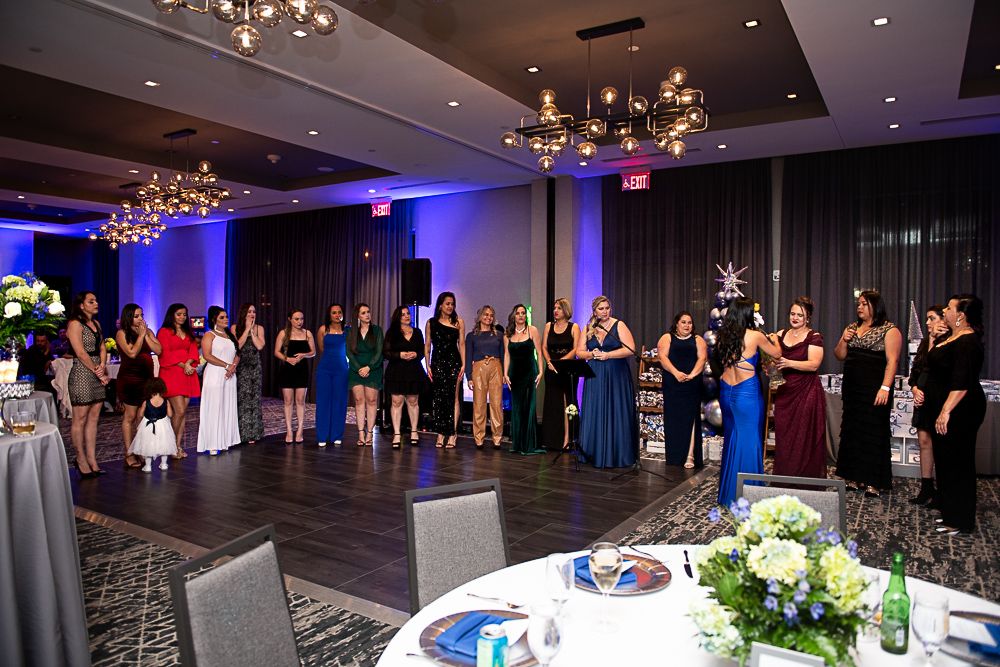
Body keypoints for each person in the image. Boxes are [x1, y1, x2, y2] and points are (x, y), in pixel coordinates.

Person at [916, 294, 986, 535]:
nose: (945, 310)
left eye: (949, 307)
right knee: (945, 462)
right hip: (945, 406)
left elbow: (962, 382)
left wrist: (945, 411)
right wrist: (935, 336)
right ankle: (949, 513)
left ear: (961, 316)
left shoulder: (968, 342)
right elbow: (932, 362)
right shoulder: (953, 337)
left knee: (958, 464)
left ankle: (960, 520)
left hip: (960, 409)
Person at [833, 290, 902, 497]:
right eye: (859, 303)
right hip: (853, 389)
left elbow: (892, 362)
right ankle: (853, 476)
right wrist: (844, 339)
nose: (859, 307)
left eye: (864, 303)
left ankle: (873, 480)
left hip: (875, 389)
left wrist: (885, 388)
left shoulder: (889, 330)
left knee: (873, 432)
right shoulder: (852, 328)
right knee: (853, 432)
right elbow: (839, 355)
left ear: (875, 306)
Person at [714, 297, 782, 505]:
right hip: (746, 394)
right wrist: (776, 338)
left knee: (733, 440)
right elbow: (777, 353)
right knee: (750, 442)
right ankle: (749, 497)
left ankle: (729, 494)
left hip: (726, 391)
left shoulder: (723, 335)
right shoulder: (755, 336)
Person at [576, 296, 638, 469]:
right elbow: (579, 352)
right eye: (601, 309)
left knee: (615, 409)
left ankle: (617, 453)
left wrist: (608, 355)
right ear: (594, 311)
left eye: (607, 308)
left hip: (616, 373)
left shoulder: (619, 325)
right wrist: (592, 354)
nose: (605, 311)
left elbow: (630, 349)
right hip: (595, 374)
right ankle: (593, 452)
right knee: (595, 409)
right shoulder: (588, 328)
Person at [771, 297, 827, 479]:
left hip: (806, 391)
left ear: (808, 317)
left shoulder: (814, 337)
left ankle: (806, 479)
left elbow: (813, 365)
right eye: (792, 314)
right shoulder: (780, 334)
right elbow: (772, 360)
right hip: (785, 393)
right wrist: (770, 368)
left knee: (803, 436)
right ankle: (784, 477)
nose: (795, 318)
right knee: (784, 436)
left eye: (799, 315)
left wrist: (788, 362)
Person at [907, 304, 950, 506]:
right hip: (922, 400)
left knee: (941, 446)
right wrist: (916, 390)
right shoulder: (924, 343)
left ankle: (943, 491)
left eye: (931, 318)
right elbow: (914, 373)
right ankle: (926, 488)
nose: (927, 322)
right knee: (924, 443)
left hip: (940, 401)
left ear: (943, 320)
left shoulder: (949, 342)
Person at [657, 311, 707, 468]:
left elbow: (702, 359)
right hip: (673, 382)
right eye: (684, 322)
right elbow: (663, 358)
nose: (687, 325)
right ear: (676, 324)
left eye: (690, 322)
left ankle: (690, 456)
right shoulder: (667, 338)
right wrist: (676, 373)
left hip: (692, 383)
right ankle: (674, 455)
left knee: (691, 418)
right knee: (674, 419)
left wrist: (692, 375)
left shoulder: (698, 339)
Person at [67, 291, 109, 478]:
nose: (96, 303)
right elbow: (80, 352)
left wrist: (103, 366)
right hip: (82, 372)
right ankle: (80, 459)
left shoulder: (97, 324)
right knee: (80, 418)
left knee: (94, 419)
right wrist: (96, 369)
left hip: (96, 370)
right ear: (82, 305)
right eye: (91, 301)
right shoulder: (75, 324)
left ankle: (92, 460)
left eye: (96, 300)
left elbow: (102, 347)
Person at [116, 303, 162, 469]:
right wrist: (141, 335)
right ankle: (129, 453)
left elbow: (158, 350)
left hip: (146, 380)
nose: (141, 318)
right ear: (129, 317)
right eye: (137, 316)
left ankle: (140, 449)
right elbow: (132, 353)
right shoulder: (122, 333)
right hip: (130, 380)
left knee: (142, 416)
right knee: (130, 416)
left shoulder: (147, 332)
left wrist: (147, 335)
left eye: (141, 315)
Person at [157, 303, 201, 458]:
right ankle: (170, 445)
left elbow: (193, 350)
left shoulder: (188, 332)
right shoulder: (164, 331)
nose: (182, 317)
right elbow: (165, 353)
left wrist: (189, 364)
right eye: (179, 314)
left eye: (184, 314)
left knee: (181, 414)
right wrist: (184, 365)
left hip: (187, 374)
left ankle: (177, 446)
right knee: (180, 410)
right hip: (172, 373)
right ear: (172, 315)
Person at [197, 306, 240, 456]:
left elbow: (237, 352)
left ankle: (226, 439)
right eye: (222, 317)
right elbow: (207, 356)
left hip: (230, 374)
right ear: (214, 319)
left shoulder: (230, 335)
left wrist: (232, 367)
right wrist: (226, 365)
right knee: (215, 406)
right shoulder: (209, 335)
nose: (226, 319)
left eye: (226, 316)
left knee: (227, 405)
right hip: (215, 373)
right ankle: (213, 443)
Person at [384, 305, 429, 448]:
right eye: (403, 314)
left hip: (414, 371)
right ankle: (397, 433)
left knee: (413, 401)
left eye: (408, 314)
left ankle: (414, 431)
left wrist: (416, 354)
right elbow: (386, 352)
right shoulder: (392, 333)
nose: (407, 316)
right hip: (397, 371)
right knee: (396, 402)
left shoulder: (417, 332)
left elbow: (423, 351)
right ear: (398, 317)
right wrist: (400, 355)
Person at [504, 304, 545, 455]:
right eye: (518, 313)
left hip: (529, 372)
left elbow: (539, 353)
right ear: (513, 316)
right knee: (517, 409)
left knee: (529, 408)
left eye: (523, 313)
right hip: (515, 374)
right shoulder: (508, 334)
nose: (521, 315)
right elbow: (507, 355)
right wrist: (505, 374)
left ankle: (529, 445)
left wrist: (541, 371)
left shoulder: (532, 330)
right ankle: (517, 444)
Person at [425, 292, 464, 448]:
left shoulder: (458, 322)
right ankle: (441, 433)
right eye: (447, 303)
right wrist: (427, 365)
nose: (450, 306)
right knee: (439, 399)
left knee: (453, 397)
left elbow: (462, 344)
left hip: (454, 363)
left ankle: (452, 434)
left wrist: (463, 365)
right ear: (440, 305)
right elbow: (427, 345)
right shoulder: (431, 323)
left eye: (452, 304)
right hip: (437, 363)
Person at [541, 298, 580, 451]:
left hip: (567, 369)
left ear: (566, 311)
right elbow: (544, 347)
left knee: (568, 403)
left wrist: (561, 362)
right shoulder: (548, 326)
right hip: (551, 369)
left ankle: (568, 438)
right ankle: (552, 439)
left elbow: (576, 349)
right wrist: (549, 362)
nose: (555, 311)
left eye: (559, 308)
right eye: (554, 307)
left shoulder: (574, 327)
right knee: (553, 403)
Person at [465, 305, 505, 449]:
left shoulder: (499, 335)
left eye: (491, 315)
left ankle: (497, 438)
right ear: (480, 316)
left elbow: (504, 355)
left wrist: (505, 373)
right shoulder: (471, 336)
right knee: (479, 404)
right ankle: (479, 438)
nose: (489, 317)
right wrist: (468, 376)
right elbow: (468, 357)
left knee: (496, 404)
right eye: (486, 314)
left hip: (496, 367)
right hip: (479, 368)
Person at [274, 309, 315, 444]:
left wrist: (304, 355)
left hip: (302, 369)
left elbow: (313, 352)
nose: (299, 322)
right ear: (290, 319)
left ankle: (300, 431)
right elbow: (276, 352)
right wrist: (287, 359)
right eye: (296, 319)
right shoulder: (283, 333)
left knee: (300, 401)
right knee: (287, 400)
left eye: (301, 319)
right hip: (287, 369)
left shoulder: (307, 333)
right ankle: (289, 431)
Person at [347, 303, 384, 447]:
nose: (367, 315)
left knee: (371, 400)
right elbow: (349, 352)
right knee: (359, 400)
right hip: (356, 370)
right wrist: (358, 368)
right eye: (363, 313)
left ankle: (370, 432)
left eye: (368, 312)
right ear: (358, 316)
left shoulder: (377, 330)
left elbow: (379, 351)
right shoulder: (351, 332)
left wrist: (368, 367)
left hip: (373, 369)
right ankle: (361, 433)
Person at [315, 304, 349, 447]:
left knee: (339, 402)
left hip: (341, 369)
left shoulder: (348, 330)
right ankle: (322, 435)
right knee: (323, 402)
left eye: (339, 312)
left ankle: (337, 434)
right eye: (334, 313)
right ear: (329, 315)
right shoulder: (323, 329)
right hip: (325, 369)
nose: (336, 315)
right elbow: (321, 349)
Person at [231, 303, 265, 445]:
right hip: (241, 367)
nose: (252, 314)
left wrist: (252, 331)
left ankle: (253, 433)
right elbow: (237, 346)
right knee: (241, 399)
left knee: (254, 400)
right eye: (249, 311)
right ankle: (239, 433)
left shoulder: (259, 328)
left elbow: (260, 346)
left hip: (255, 368)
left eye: (254, 312)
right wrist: (246, 330)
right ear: (244, 313)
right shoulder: (234, 328)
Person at [127, 378, 176, 472]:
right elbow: (170, 414)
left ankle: (148, 466)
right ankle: (164, 464)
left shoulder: (146, 402)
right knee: (164, 444)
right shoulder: (166, 401)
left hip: (148, 425)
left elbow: (141, 414)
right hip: (163, 425)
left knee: (148, 444)